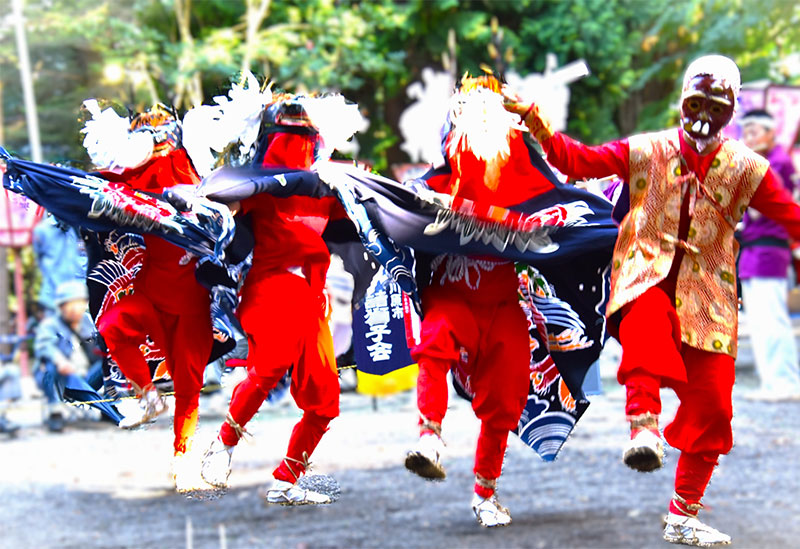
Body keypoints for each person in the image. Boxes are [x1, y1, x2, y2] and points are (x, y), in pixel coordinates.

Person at [503, 55, 800, 546]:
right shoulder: (647, 149)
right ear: (682, 100)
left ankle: (683, 514)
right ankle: (643, 427)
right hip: (645, 275)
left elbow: (791, 217)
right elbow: (579, 161)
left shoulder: (749, 169)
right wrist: (534, 117)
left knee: (714, 407)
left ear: (732, 111)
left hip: (710, 296)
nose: (704, 115)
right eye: (696, 102)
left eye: (717, 106)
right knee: (647, 323)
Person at [404, 75, 554, 528]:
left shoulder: (532, 187)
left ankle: (486, 493)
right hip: (452, 293)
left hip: (502, 302)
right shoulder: (431, 187)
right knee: (436, 339)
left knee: (507, 394)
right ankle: (429, 436)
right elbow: (399, 210)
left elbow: (564, 203)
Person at [200, 95, 345, 505]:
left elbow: (370, 215)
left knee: (325, 403)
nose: (296, 143)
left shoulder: (329, 187)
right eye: (287, 133)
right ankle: (222, 446)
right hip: (269, 287)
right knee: (272, 363)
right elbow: (222, 197)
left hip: (312, 297)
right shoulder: (259, 187)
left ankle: (286, 481)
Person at [92, 104, 214, 490]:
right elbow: (91, 184)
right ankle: (148, 397)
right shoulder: (133, 174)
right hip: (151, 290)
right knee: (111, 326)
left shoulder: (194, 168)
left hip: (193, 298)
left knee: (188, 385)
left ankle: (184, 461)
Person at [738, 109, 800, 401]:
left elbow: (756, 208)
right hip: (757, 247)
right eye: (746, 133)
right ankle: (774, 383)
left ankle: (784, 383)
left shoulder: (774, 163)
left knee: (771, 319)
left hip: (767, 246)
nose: (749, 139)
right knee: (762, 320)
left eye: (754, 132)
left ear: (770, 133)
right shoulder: (768, 161)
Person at [33, 280, 112, 432]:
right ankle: (56, 413)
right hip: (63, 379)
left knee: (110, 361)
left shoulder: (88, 320)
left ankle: (110, 407)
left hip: (85, 377)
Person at [32, 215, 87, 316]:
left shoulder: (85, 227)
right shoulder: (43, 229)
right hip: (53, 297)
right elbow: (38, 260)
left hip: (81, 297)